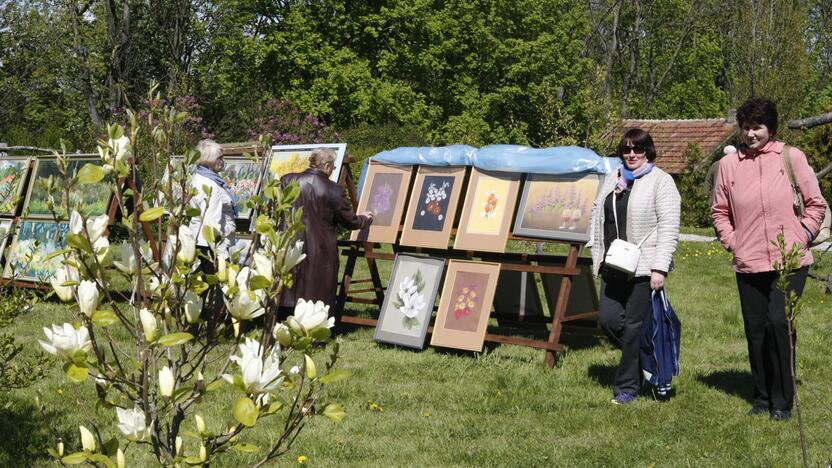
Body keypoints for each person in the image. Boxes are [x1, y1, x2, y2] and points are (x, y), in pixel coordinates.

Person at [711, 97, 827, 421]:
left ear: (770, 128)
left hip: (789, 260)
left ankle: (783, 400)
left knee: (779, 322)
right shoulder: (729, 166)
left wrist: (801, 236)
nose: (750, 134)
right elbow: (720, 211)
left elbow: (816, 204)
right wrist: (733, 242)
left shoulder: (791, 158)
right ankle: (762, 396)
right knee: (756, 330)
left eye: (757, 127)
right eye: (746, 127)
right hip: (748, 261)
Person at [589, 128, 681, 405]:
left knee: (633, 325)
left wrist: (660, 268)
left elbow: (669, 227)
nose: (632, 154)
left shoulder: (661, 181)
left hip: (644, 266)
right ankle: (647, 359)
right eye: (627, 149)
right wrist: (597, 257)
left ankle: (627, 387)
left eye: (638, 149)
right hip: (614, 264)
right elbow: (597, 217)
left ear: (648, 152)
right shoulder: (611, 178)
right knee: (608, 319)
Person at [280, 148, 373, 313]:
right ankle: (313, 323)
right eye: (333, 167)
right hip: (320, 248)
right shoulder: (334, 190)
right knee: (315, 289)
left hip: (290, 244)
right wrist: (364, 218)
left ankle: (284, 317)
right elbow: (350, 221)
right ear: (327, 166)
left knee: (291, 283)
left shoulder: (287, 180)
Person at [188, 139, 237, 263]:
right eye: (219, 158)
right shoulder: (210, 185)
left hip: (200, 240)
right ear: (209, 160)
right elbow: (211, 222)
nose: (223, 161)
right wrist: (221, 256)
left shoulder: (199, 177)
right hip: (211, 246)